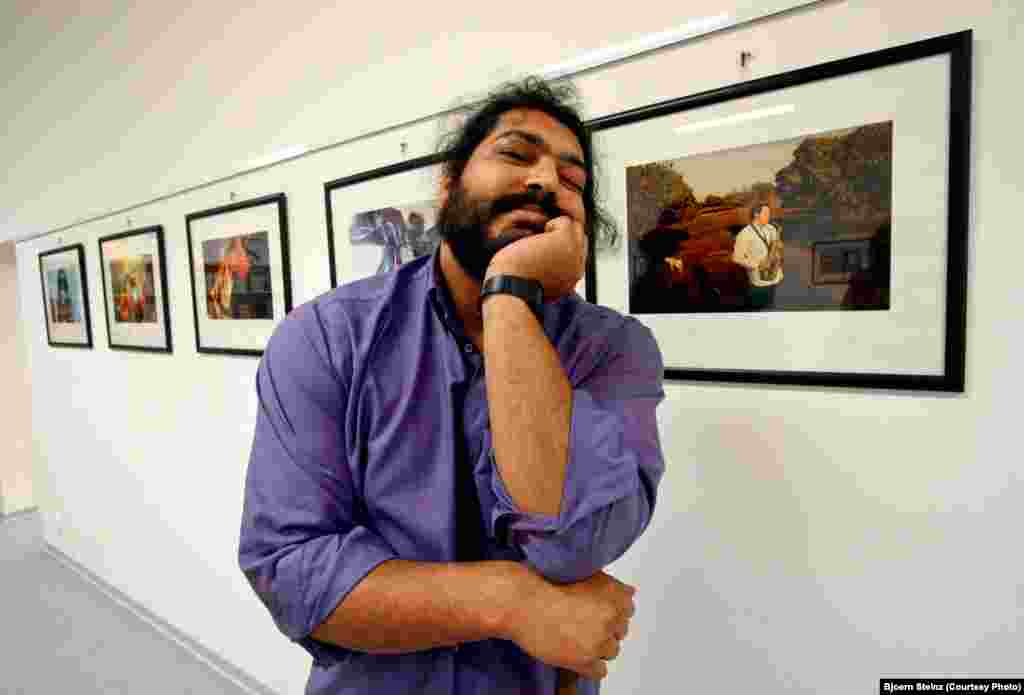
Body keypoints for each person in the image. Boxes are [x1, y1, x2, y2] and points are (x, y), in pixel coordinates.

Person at [238, 77, 666, 695]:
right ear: (449, 182)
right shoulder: (327, 339)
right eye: (516, 155)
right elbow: (291, 569)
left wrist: (511, 297)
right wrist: (510, 601)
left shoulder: (614, 349)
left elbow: (574, 543)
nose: (546, 182)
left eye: (573, 180)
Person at [732, 203, 784, 310]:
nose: (769, 216)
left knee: (772, 308)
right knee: (759, 311)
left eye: (769, 213)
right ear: (756, 214)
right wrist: (757, 264)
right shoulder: (745, 234)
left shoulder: (771, 229)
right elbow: (736, 257)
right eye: (766, 213)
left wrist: (779, 246)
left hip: (774, 277)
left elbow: (776, 246)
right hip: (759, 282)